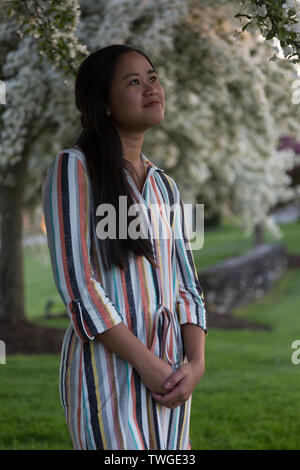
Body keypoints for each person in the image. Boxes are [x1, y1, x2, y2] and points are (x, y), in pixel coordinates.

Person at [42, 44, 207, 450]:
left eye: (152, 77)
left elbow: (187, 286)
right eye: (134, 82)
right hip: (108, 375)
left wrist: (196, 365)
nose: (152, 88)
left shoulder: (165, 187)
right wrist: (147, 366)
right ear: (106, 104)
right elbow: (80, 287)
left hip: (171, 375)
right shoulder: (74, 168)